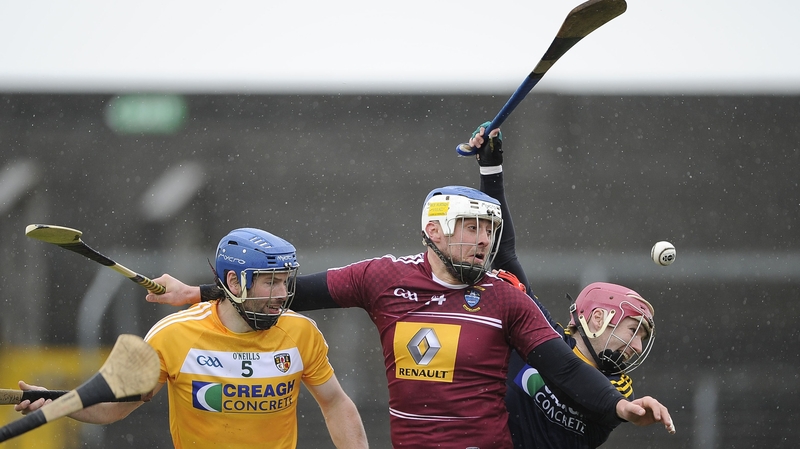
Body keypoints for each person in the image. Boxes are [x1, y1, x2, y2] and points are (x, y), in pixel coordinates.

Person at [140, 143, 676, 448]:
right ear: (435, 231)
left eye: (489, 230)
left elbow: (560, 363)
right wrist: (200, 292)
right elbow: (290, 294)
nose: (484, 239)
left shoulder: (504, 299)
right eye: (472, 227)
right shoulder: (383, 278)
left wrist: (620, 405)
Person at [16, 228, 369, 449]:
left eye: (285, 281)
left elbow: (335, 403)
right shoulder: (174, 336)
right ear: (234, 283)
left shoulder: (300, 333)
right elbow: (114, 407)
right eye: (270, 281)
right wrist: (59, 406)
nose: (282, 294)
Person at [467, 123, 665, 448]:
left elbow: (578, 380)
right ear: (598, 319)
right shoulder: (537, 331)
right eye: (633, 331)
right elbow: (503, 253)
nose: (638, 347)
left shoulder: (618, 392)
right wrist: (491, 168)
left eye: (643, 339)